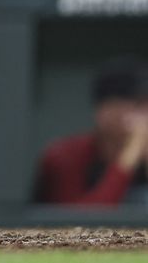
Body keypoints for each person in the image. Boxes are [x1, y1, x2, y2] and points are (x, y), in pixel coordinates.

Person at [36, 58, 148, 205]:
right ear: (104, 112)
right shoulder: (65, 156)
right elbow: (78, 223)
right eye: (138, 105)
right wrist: (129, 156)